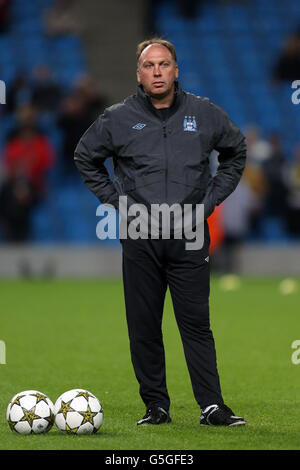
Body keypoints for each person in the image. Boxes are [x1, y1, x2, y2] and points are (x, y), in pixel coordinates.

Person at [74, 38, 247, 427]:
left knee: (196, 324)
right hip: (140, 234)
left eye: (164, 64)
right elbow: (85, 157)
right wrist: (117, 201)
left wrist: (210, 201)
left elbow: (236, 152)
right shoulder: (117, 117)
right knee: (144, 324)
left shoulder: (204, 113)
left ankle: (212, 406)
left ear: (175, 70)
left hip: (189, 233)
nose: (156, 72)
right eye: (149, 66)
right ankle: (156, 406)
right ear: (138, 74)